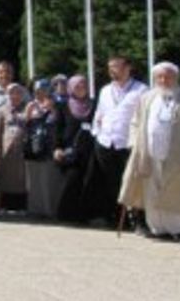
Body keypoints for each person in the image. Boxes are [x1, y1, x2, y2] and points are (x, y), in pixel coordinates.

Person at [119, 62, 180, 242]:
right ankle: (158, 228)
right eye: (159, 77)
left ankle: (178, 229)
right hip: (150, 153)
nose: (164, 80)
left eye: (168, 77)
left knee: (177, 191)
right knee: (151, 190)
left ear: (176, 77)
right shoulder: (147, 98)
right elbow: (136, 123)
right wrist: (134, 146)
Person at [84, 56, 147, 227]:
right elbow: (99, 113)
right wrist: (97, 133)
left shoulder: (141, 90)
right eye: (110, 67)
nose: (112, 70)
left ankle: (138, 219)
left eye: (116, 66)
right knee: (111, 182)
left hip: (128, 143)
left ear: (128, 68)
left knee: (132, 183)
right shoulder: (105, 90)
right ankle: (117, 217)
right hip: (106, 142)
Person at [54, 75, 98, 223]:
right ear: (71, 88)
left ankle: (83, 215)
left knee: (87, 182)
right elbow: (58, 128)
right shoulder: (63, 106)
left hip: (89, 150)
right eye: (77, 86)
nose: (81, 89)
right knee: (71, 181)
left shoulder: (94, 105)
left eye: (84, 86)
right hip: (70, 151)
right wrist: (57, 147)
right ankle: (65, 214)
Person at [23, 80, 64, 219]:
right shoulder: (30, 105)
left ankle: (50, 210)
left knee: (49, 179)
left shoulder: (57, 104)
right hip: (34, 147)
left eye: (43, 90)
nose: (40, 94)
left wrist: (51, 109)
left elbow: (59, 123)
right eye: (37, 91)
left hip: (49, 147)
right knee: (34, 180)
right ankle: (35, 209)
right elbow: (25, 126)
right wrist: (28, 113)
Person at [0, 83, 28, 213]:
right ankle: (4, 205)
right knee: (5, 178)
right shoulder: (1, 111)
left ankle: (21, 206)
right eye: (12, 93)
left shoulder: (27, 108)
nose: (15, 96)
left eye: (18, 93)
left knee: (21, 179)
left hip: (22, 150)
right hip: (6, 150)